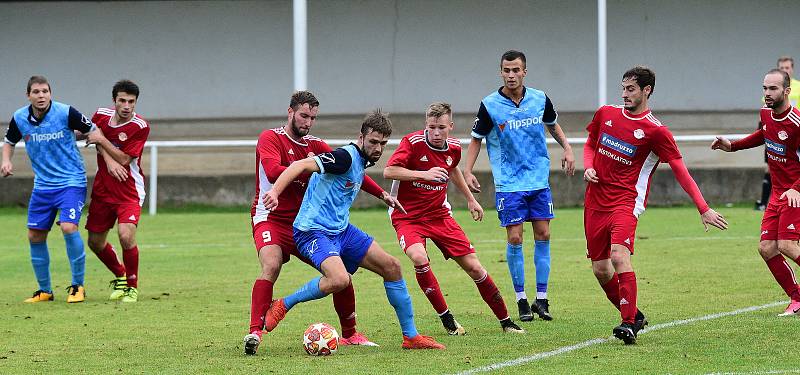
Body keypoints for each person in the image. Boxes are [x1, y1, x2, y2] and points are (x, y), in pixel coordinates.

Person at [261, 110, 445, 350]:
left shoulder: (360, 160)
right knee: (339, 279)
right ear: (361, 137)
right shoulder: (343, 157)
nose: (378, 148)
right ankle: (284, 304)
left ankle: (411, 337)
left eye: (383, 143)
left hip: (341, 230)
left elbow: (358, 178)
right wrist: (274, 192)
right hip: (312, 231)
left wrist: (383, 195)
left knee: (393, 267)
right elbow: (300, 164)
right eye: (373, 142)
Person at [584, 66, 728, 344]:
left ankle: (628, 324)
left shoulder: (656, 131)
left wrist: (703, 207)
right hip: (594, 202)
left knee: (618, 256)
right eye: (623, 88)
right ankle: (634, 314)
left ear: (646, 90)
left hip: (626, 202)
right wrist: (588, 166)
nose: (625, 94)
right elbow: (590, 144)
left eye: (631, 89)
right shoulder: (606, 114)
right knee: (601, 269)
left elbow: (680, 171)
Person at [243, 92, 390, 355]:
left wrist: (382, 194)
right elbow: (274, 170)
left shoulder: (316, 145)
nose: (308, 122)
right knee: (272, 264)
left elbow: (351, 170)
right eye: (303, 116)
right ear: (290, 112)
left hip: (303, 224)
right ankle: (255, 331)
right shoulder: (270, 137)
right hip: (271, 216)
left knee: (339, 271)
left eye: (313, 118)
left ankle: (350, 334)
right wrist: (304, 167)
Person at [383, 102, 524, 335]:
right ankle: (447, 320)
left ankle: (506, 322)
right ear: (425, 125)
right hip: (407, 216)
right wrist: (423, 174)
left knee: (475, 268)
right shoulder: (412, 143)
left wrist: (470, 199)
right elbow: (389, 171)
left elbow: (453, 168)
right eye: (431, 127)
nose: (436, 133)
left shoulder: (454, 148)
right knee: (419, 257)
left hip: (439, 215)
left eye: (441, 127)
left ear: (451, 126)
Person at [463, 50, 575, 322]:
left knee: (544, 234)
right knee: (515, 237)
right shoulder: (490, 104)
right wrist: (467, 170)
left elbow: (553, 124)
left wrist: (568, 148)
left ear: (525, 71)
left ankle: (542, 299)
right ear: (500, 72)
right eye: (506, 70)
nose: (511, 75)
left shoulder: (540, 98)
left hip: (538, 179)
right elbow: (477, 138)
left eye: (516, 70)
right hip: (509, 182)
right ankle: (521, 300)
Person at [1, 75, 109, 303]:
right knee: (35, 235)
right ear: (28, 95)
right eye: (36, 92)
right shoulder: (20, 117)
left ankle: (78, 286)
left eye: (45, 92)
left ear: (51, 93)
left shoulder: (66, 112)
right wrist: (6, 161)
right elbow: (9, 142)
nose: (41, 96)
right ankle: (45, 291)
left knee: (69, 227)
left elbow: (93, 128)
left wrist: (93, 138)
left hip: (71, 181)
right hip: (43, 185)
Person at [712, 68, 800, 318]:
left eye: (773, 89)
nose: (767, 93)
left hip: (796, 193)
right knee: (766, 248)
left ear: (787, 91)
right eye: (764, 88)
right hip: (777, 194)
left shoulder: (796, 124)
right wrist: (733, 146)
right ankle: (797, 297)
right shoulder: (765, 113)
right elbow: (763, 135)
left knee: (787, 245)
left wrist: (796, 188)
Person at [83, 80, 150, 303]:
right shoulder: (100, 115)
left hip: (129, 190)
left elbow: (123, 159)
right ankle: (120, 275)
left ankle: (132, 286)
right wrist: (105, 155)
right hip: (103, 189)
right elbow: (91, 135)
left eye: (131, 101)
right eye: (122, 100)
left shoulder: (140, 126)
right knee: (95, 241)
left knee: (125, 234)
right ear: (114, 101)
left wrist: (102, 142)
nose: (127, 106)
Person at [757, 56, 800, 210]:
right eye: (782, 68)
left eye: (787, 68)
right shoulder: (771, 89)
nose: (768, 92)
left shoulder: (798, 87)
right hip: (774, 134)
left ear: (792, 69)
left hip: (792, 135)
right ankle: (764, 203)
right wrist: (732, 146)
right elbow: (765, 118)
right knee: (769, 169)